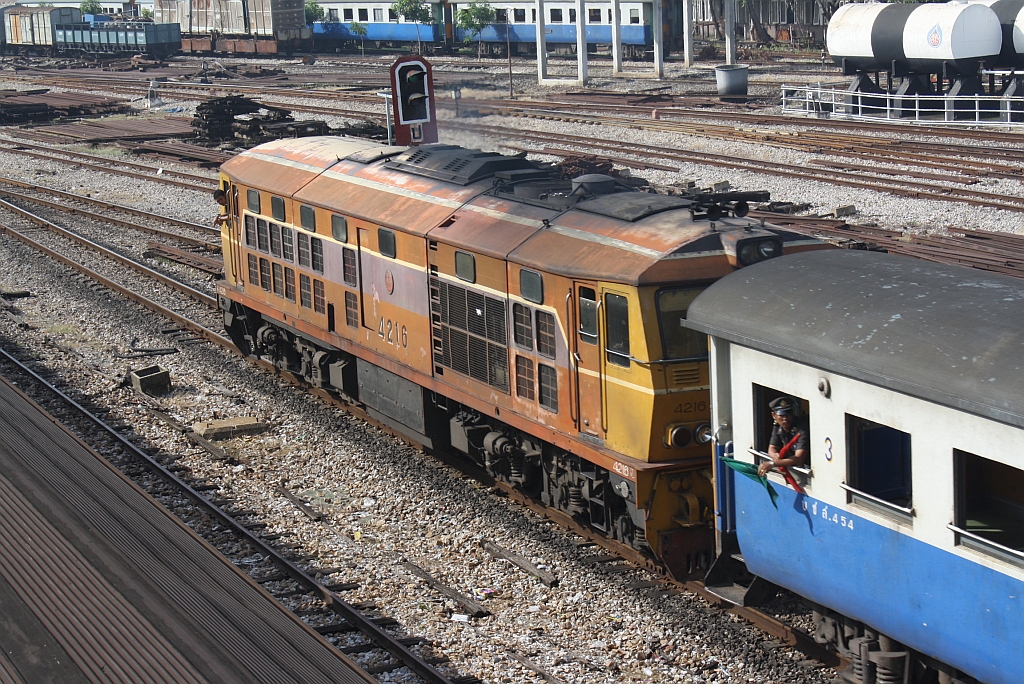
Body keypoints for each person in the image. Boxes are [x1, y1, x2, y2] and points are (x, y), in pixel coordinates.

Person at [758, 396, 808, 477]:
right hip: (791, 467)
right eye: (781, 415)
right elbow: (772, 448)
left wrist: (772, 463)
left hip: (806, 471)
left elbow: (799, 459)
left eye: (788, 414)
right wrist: (774, 455)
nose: (785, 418)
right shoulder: (777, 425)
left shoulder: (801, 428)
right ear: (774, 415)